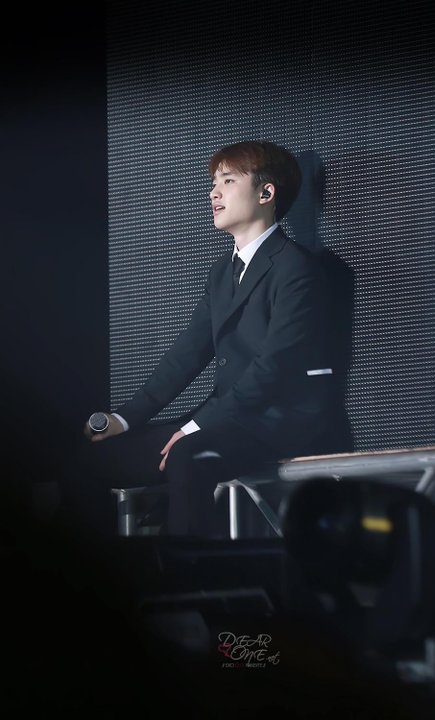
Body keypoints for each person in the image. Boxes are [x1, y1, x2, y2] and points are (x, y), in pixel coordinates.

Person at [70, 140, 349, 540]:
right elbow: (187, 353)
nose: (214, 193)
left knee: (187, 454)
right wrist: (125, 418)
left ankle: (196, 573)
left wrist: (197, 426)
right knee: (93, 455)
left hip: (278, 423)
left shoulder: (298, 269)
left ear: (266, 193)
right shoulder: (221, 272)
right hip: (227, 417)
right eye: (214, 182)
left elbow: (274, 367)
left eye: (228, 180)